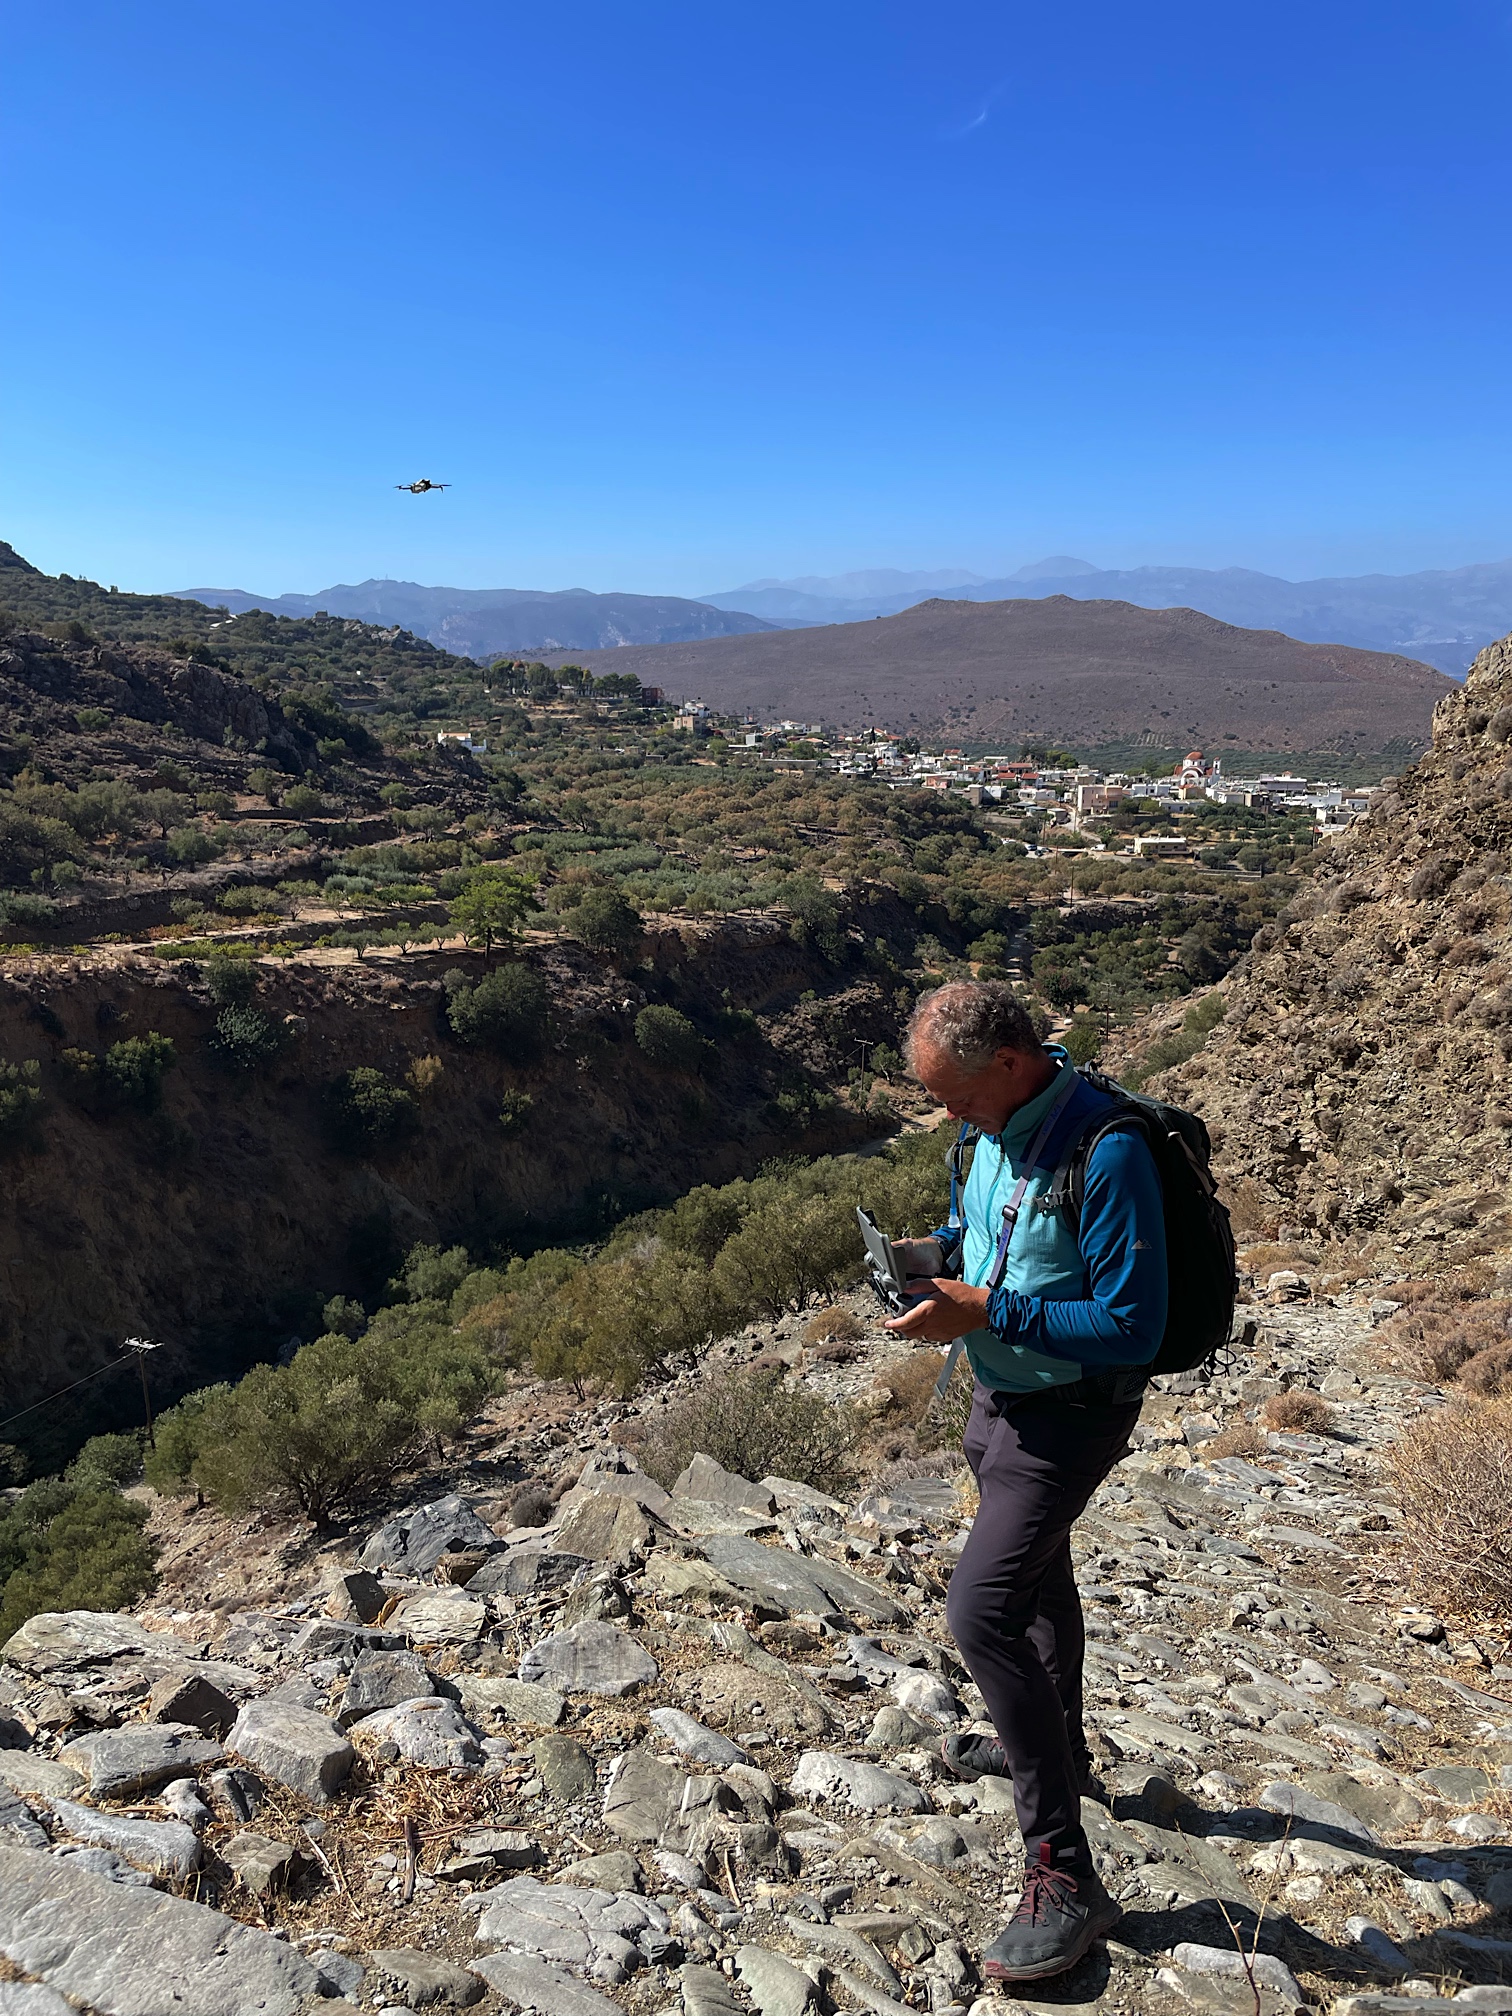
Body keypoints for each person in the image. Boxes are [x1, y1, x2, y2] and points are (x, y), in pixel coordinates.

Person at [884, 980, 1167, 1982]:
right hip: (999, 1403)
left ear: (1009, 1063)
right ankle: (1058, 1749)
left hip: (1071, 1418)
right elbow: (990, 1244)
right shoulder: (989, 1133)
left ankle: (1064, 1872)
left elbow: (1135, 1325)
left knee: (982, 1611)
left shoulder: (1110, 1148)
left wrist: (987, 1310)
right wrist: (936, 1264)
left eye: (954, 1096)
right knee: (1039, 1582)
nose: (946, 1115)